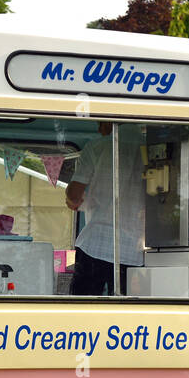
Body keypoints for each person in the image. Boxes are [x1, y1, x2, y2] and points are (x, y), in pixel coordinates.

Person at [65, 122, 145, 295]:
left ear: (111, 119)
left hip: (95, 245)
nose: (99, 129)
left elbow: (74, 196)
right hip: (135, 251)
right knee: (129, 314)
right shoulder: (151, 148)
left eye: (101, 122)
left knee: (83, 311)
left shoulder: (97, 146)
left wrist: (72, 199)